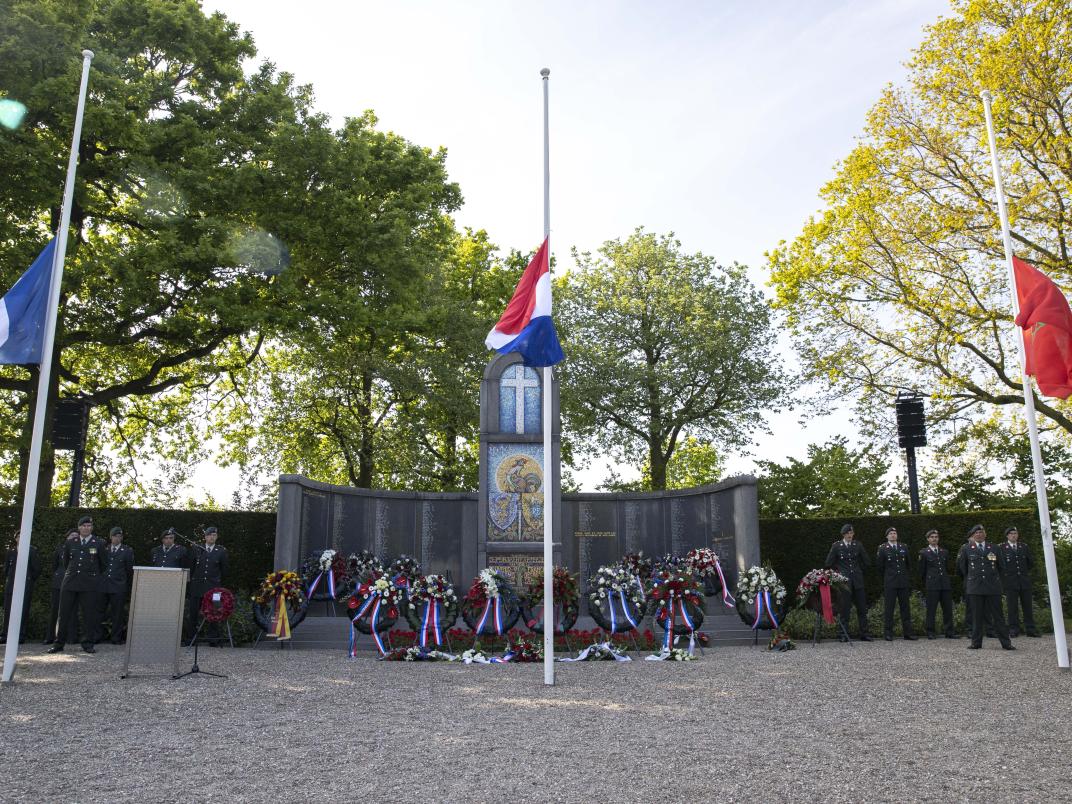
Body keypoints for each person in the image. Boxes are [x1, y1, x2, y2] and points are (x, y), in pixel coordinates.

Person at [49, 515, 106, 655]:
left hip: (89, 584)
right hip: (70, 582)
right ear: (79, 527)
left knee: (88, 615)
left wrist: (93, 578)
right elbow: (66, 563)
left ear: (92, 528)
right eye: (83, 525)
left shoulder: (98, 543)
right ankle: (58, 644)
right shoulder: (71, 542)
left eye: (89, 526)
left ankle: (87, 643)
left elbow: (103, 564)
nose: (86, 528)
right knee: (63, 614)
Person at [956, 524, 1014, 650]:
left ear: (985, 534)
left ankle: (1006, 643)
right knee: (976, 616)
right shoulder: (967, 548)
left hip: (993, 587)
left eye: (981, 532)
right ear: (973, 535)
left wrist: (996, 581)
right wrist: (972, 579)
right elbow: (963, 568)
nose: (979, 534)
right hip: (975, 587)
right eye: (976, 533)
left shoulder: (994, 547)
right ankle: (976, 643)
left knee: (998, 616)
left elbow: (1001, 566)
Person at [824, 523, 872, 641]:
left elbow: (867, 561)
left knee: (862, 608)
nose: (850, 535)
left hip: (858, 580)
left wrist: (858, 570)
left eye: (851, 533)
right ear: (843, 534)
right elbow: (828, 563)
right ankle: (843, 634)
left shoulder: (858, 545)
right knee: (845, 609)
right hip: (844, 583)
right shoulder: (836, 546)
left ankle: (864, 634)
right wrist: (839, 572)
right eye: (847, 533)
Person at [187, 525, 228, 646]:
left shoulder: (221, 551)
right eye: (209, 535)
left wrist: (218, 583)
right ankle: (191, 638)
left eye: (214, 535)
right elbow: (191, 567)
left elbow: (224, 570)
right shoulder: (197, 549)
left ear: (217, 537)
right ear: (205, 537)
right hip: (197, 586)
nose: (212, 537)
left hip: (213, 587)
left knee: (213, 613)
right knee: (193, 613)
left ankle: (213, 639)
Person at [997, 526, 1039, 638]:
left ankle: (1030, 629)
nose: (1014, 535)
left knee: (1027, 607)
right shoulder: (1001, 548)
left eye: (1015, 533)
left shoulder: (1024, 547)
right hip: (1010, 582)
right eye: (1011, 534)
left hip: (1024, 581)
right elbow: (999, 566)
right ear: (1007, 536)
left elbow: (1030, 563)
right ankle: (1014, 629)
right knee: (1012, 607)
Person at [1, 533, 42, 645]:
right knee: (8, 610)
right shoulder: (11, 551)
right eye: (19, 536)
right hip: (11, 584)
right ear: (16, 538)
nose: (20, 538)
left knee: (23, 609)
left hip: (25, 585)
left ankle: (21, 635)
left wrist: (28, 580)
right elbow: (6, 569)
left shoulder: (32, 551)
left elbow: (36, 569)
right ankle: (5, 635)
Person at [876, 527, 916, 641]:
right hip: (890, 583)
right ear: (887, 536)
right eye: (891, 533)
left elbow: (908, 564)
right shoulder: (883, 548)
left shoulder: (903, 547)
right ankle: (888, 633)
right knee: (889, 608)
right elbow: (880, 567)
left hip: (903, 582)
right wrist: (887, 578)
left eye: (895, 533)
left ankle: (908, 633)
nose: (893, 535)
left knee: (905, 608)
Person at [918, 529, 957, 639]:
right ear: (928, 539)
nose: (934, 539)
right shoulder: (923, 553)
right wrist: (927, 583)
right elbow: (922, 571)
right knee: (931, 609)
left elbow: (946, 567)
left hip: (945, 584)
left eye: (936, 537)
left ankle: (949, 632)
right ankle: (930, 632)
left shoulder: (944, 552)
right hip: (932, 585)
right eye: (932, 537)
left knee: (948, 609)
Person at [100, 525, 134, 644]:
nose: (117, 538)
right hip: (104, 585)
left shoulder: (127, 551)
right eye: (115, 536)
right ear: (110, 537)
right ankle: (97, 636)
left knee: (118, 613)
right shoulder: (104, 549)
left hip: (118, 586)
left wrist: (126, 585)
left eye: (120, 536)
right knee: (99, 612)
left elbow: (129, 570)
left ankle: (116, 637)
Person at [44, 529, 79, 644]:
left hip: (73, 583)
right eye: (72, 535)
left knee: (72, 611)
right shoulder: (60, 548)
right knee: (55, 610)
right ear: (67, 537)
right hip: (59, 583)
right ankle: (50, 637)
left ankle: (71, 638)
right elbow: (54, 565)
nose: (74, 537)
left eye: (76, 535)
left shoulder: (81, 548)